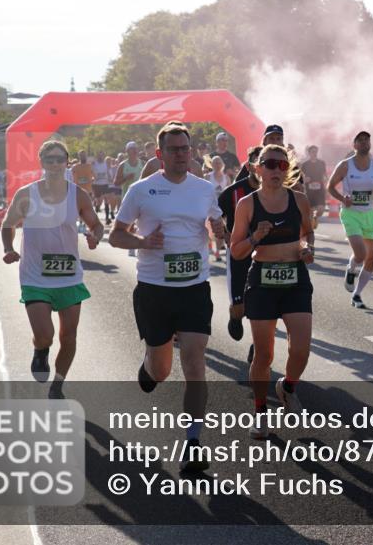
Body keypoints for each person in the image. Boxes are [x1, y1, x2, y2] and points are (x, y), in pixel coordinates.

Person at [108, 122, 224, 472]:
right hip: (154, 290)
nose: (180, 155)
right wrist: (143, 243)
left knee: (194, 362)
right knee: (161, 370)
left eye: (185, 149)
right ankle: (148, 366)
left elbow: (218, 226)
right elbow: (116, 237)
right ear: (159, 155)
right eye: (173, 149)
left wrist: (220, 230)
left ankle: (193, 443)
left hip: (194, 288)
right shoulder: (142, 191)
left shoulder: (204, 189)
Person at [0, 140, 103, 398]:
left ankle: (58, 384)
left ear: (67, 161)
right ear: (42, 162)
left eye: (59, 159)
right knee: (45, 335)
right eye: (50, 159)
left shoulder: (78, 194)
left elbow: (96, 224)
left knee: (68, 337)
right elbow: (8, 223)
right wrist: (7, 248)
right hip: (35, 276)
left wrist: (95, 236)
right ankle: (40, 349)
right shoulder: (26, 193)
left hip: (69, 277)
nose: (55, 164)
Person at [229, 144, 315, 441]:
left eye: (281, 165)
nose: (276, 170)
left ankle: (288, 388)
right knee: (264, 354)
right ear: (257, 168)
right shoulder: (247, 205)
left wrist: (307, 248)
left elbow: (308, 232)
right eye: (270, 164)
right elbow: (237, 251)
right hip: (263, 281)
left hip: (295, 279)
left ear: (287, 169)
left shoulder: (299, 200)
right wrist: (256, 236)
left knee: (301, 349)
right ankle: (260, 411)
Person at [327, 131, 373, 309]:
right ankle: (351, 269)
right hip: (351, 214)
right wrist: (343, 199)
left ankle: (357, 295)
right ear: (354, 145)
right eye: (361, 140)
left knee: (371, 259)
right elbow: (330, 187)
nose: (365, 143)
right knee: (360, 254)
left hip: (369, 215)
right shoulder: (345, 166)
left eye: (367, 140)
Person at [219, 145, 263, 343]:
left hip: (266, 254)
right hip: (239, 253)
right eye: (260, 162)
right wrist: (226, 235)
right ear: (251, 166)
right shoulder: (234, 192)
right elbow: (214, 215)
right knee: (240, 307)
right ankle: (235, 318)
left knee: (263, 305)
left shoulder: (278, 193)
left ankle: (258, 346)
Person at [300, 145, 327, 230]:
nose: (314, 153)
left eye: (316, 151)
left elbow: (325, 175)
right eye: (313, 152)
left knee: (321, 209)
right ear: (309, 153)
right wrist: (304, 179)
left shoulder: (321, 163)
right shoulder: (305, 164)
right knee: (310, 210)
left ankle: (315, 217)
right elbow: (300, 177)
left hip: (320, 189)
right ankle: (311, 225)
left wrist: (326, 180)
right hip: (309, 190)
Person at [90, 151, 110, 223]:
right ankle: (96, 211)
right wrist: (94, 177)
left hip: (105, 184)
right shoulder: (94, 164)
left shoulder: (106, 163)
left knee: (106, 199)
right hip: (96, 184)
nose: (101, 157)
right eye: (99, 155)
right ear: (97, 156)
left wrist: (110, 178)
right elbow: (91, 171)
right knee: (99, 201)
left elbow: (108, 172)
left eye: (102, 155)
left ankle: (107, 218)